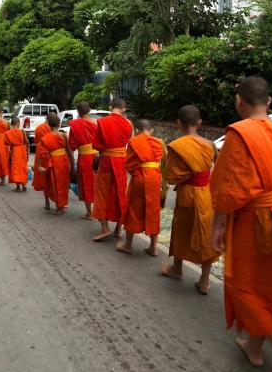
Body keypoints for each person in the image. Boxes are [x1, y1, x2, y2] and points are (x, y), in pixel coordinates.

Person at [210, 77, 272, 372]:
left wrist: (218, 226)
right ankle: (253, 345)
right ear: (270, 101)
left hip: (255, 221)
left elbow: (227, 188)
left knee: (246, 290)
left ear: (239, 102)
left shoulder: (240, 135)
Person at [160, 105, 219, 295]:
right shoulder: (210, 145)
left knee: (181, 229)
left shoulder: (177, 147)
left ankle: (177, 267)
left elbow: (171, 177)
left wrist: (189, 174)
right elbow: (216, 168)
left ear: (178, 123)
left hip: (187, 194)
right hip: (206, 193)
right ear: (199, 123)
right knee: (206, 232)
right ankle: (204, 280)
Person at [117, 119, 166, 256]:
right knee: (153, 210)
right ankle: (153, 247)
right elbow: (162, 162)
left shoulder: (134, 142)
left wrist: (136, 174)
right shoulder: (158, 142)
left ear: (137, 130)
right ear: (151, 130)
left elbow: (129, 164)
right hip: (155, 178)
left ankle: (128, 245)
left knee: (133, 209)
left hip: (140, 177)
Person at [91, 99, 132, 241]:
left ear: (110, 107)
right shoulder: (129, 124)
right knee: (120, 193)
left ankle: (105, 228)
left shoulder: (103, 122)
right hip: (121, 161)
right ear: (124, 109)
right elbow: (129, 143)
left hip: (107, 161)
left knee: (102, 193)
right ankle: (118, 230)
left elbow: (96, 145)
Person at [37, 113, 74, 215]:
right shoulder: (63, 135)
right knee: (63, 184)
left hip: (53, 162)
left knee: (55, 184)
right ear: (59, 124)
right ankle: (62, 206)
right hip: (64, 161)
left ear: (49, 125)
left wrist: (39, 165)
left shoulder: (46, 138)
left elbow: (42, 154)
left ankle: (59, 208)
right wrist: (72, 163)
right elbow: (69, 150)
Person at [69, 101, 98, 220]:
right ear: (89, 110)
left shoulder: (75, 124)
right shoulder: (97, 123)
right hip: (97, 157)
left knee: (86, 184)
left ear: (78, 112)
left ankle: (89, 213)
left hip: (84, 158)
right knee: (97, 183)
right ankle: (99, 211)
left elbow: (72, 145)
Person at [4, 116, 29, 192]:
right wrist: (27, 151)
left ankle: (18, 187)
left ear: (12, 124)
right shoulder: (22, 131)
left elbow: (5, 143)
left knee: (16, 168)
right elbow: (27, 142)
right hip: (22, 151)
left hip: (14, 151)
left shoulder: (8, 133)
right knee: (23, 167)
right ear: (18, 123)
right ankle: (24, 185)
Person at [32, 117, 52, 210]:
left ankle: (47, 201)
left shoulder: (39, 128)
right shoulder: (52, 129)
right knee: (53, 178)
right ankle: (60, 203)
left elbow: (36, 141)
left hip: (41, 153)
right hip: (51, 153)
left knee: (44, 179)